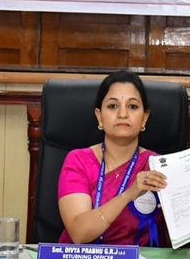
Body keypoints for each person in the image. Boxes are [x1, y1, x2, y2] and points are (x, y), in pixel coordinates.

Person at [58, 70, 167, 246]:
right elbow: (79, 234)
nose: (123, 114)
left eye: (132, 106)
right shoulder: (78, 161)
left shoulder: (159, 167)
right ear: (99, 116)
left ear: (144, 118)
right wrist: (128, 194)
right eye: (113, 106)